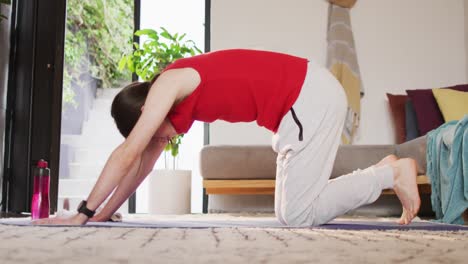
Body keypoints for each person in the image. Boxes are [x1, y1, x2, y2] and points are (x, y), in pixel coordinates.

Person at [34, 49, 420, 226]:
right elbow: (139, 165)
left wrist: (80, 215)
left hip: (308, 98)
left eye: (155, 131)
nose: (162, 139)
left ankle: (390, 174)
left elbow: (128, 151)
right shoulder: (170, 100)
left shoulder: (168, 83)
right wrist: (101, 214)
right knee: (293, 213)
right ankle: (387, 170)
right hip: (299, 106)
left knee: (298, 216)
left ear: (144, 112)